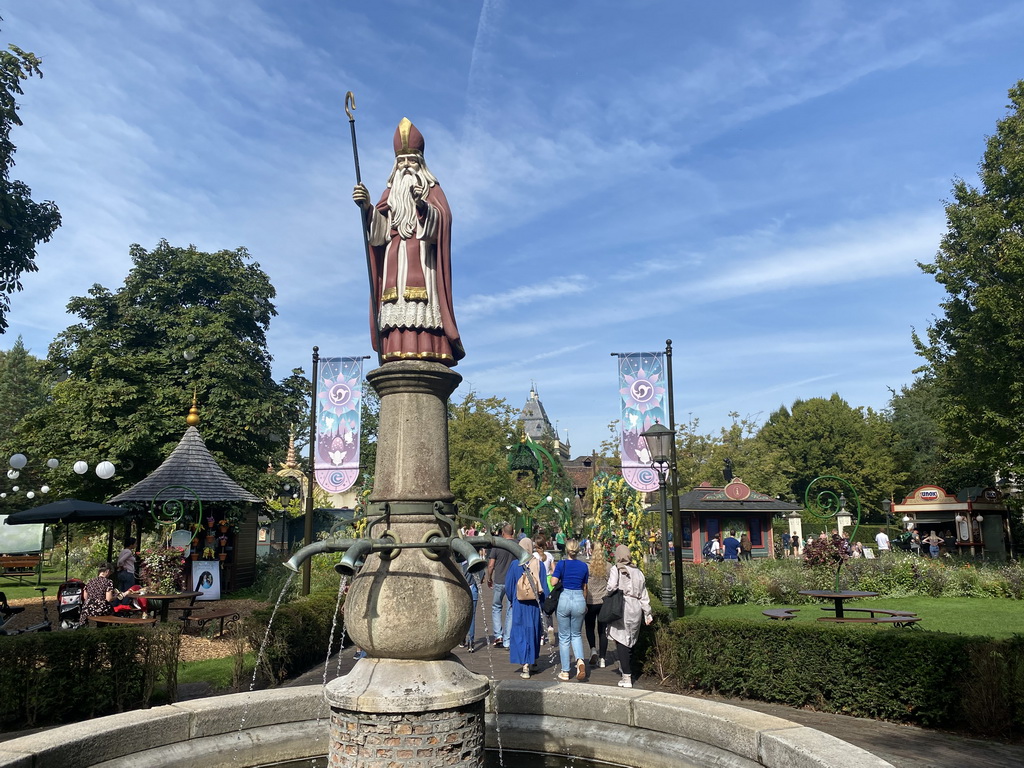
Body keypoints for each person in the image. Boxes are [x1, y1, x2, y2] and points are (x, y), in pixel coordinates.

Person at [352, 118, 464, 366]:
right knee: (395, 305)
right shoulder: (389, 194)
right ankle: (395, 349)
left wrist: (423, 207)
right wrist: (367, 208)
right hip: (394, 260)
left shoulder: (432, 189)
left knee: (422, 307)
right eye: (400, 161)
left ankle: (428, 348)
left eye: (411, 160)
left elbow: (443, 222)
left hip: (424, 261)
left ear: (420, 162)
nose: (405, 166)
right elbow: (378, 235)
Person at [607, 544, 653, 688]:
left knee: (622, 639)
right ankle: (627, 668)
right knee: (631, 638)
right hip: (636, 607)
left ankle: (626, 676)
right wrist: (648, 612)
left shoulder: (617, 569)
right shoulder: (638, 571)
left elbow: (611, 587)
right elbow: (644, 594)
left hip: (623, 605)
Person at [504, 537, 548, 679]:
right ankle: (533, 660)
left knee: (520, 633)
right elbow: (544, 588)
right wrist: (542, 603)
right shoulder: (539, 564)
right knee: (533, 632)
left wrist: (512, 600)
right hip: (534, 605)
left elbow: (509, 587)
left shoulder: (515, 564)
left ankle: (525, 665)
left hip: (519, 604)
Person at [551, 539, 589, 682]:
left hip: (565, 598)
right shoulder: (584, 566)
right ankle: (580, 661)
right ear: (578, 551)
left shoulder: (562, 564)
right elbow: (585, 587)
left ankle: (565, 671)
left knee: (564, 637)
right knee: (577, 634)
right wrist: (585, 603)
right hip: (579, 598)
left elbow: (554, 582)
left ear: (566, 550)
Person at [486, 524, 516, 648]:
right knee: (510, 609)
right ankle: (507, 639)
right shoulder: (516, 545)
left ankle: (498, 635)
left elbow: (491, 564)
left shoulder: (498, 545)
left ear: (503, 533)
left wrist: (489, 577)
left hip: (499, 580)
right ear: (513, 532)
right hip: (512, 581)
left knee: (496, 607)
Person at [584, 552, 610, 668]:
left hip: (590, 601)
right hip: (603, 601)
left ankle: (593, 649)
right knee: (602, 630)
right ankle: (603, 658)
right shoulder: (607, 566)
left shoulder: (587, 567)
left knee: (589, 627)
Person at [460, 559, 479, 652]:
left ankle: (462, 638)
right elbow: (481, 577)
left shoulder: (461, 563)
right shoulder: (475, 561)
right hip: (473, 588)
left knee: (462, 615)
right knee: (472, 616)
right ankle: (471, 641)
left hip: (463, 590)